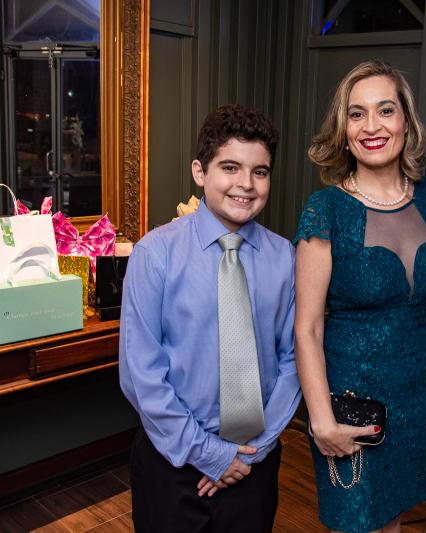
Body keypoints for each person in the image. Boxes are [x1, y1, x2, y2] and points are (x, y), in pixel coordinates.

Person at [119, 104, 301, 532]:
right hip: (173, 461)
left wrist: (251, 452)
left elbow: (294, 361)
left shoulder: (285, 257)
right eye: (230, 167)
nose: (246, 184)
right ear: (200, 172)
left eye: (260, 171)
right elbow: (140, 374)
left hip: (254, 462)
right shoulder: (155, 254)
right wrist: (210, 454)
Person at [293, 59, 426, 533]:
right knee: (357, 522)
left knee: (392, 520)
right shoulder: (326, 209)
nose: (372, 126)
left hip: (421, 396)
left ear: (406, 121)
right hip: (353, 403)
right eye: (357, 114)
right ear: (343, 132)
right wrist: (321, 419)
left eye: (385, 110)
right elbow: (307, 327)